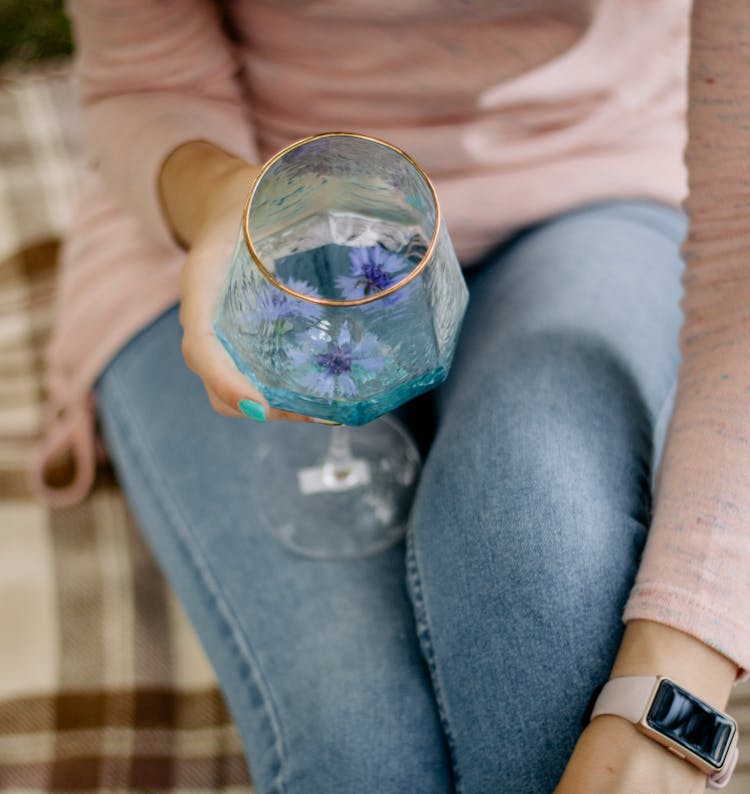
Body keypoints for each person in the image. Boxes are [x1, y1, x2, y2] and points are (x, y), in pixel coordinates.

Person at [34, 1, 748, 792]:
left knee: (554, 638)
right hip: (244, 210)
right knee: (360, 755)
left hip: (586, 179)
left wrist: (672, 695)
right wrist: (219, 201)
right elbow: (146, 81)